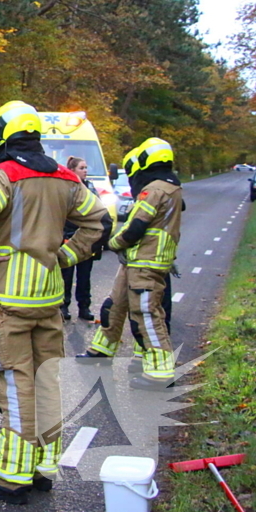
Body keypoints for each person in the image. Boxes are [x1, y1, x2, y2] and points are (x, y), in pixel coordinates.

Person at [0, 101, 109, 505]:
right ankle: (43, 467)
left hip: (7, 299)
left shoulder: (3, 174)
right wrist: (65, 257)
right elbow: (99, 221)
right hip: (48, 297)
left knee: (14, 383)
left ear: (0, 136)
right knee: (47, 379)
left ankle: (10, 476)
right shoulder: (64, 177)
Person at [77, 138, 182, 391]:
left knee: (147, 314)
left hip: (146, 262)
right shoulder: (171, 187)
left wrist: (113, 243)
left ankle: (161, 372)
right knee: (114, 305)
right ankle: (102, 348)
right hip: (137, 261)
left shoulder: (155, 189)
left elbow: (137, 225)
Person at [60, 156, 98, 321]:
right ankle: (63, 306)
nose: (85, 170)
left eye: (86, 167)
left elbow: (98, 209)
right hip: (68, 236)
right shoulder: (65, 187)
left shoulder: (90, 187)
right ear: (73, 170)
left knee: (85, 276)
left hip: (86, 237)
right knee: (66, 276)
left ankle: (84, 307)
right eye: (82, 168)